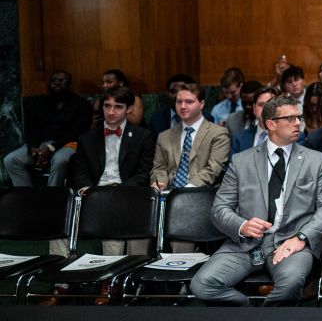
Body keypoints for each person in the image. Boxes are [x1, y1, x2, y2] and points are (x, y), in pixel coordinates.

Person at [190, 94, 322, 306]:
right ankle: (249, 314)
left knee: (291, 283)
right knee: (202, 285)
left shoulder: (317, 161)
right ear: (271, 124)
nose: (298, 123)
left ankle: (263, 319)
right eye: (290, 118)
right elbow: (220, 209)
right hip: (246, 245)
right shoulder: (241, 161)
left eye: (299, 118)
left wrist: (302, 237)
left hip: (291, 243)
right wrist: (242, 226)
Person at [68, 86, 157, 256]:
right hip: (94, 193)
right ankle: (62, 279)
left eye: (118, 107)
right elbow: (80, 172)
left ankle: (122, 273)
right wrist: (87, 188)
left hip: (127, 193)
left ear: (129, 109)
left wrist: (119, 189)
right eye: (107, 106)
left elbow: (143, 174)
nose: (111, 111)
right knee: (62, 216)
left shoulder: (143, 136)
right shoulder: (86, 138)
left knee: (123, 211)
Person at [4, 71, 92, 187]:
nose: (56, 83)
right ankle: (25, 196)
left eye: (61, 80)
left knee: (59, 160)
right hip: (41, 144)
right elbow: (32, 129)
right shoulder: (39, 103)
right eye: (53, 81)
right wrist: (33, 148)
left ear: (70, 84)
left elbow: (77, 132)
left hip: (69, 143)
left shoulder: (81, 104)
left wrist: (52, 147)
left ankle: (52, 198)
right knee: (10, 160)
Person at [150, 83, 231, 191]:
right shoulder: (164, 136)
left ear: (201, 104)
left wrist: (186, 190)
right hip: (167, 195)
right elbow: (159, 168)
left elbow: (214, 168)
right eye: (179, 102)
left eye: (189, 102)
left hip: (200, 195)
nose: (183, 106)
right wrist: (160, 183)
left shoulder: (218, 133)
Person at [231, 85, 278, 154]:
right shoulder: (239, 138)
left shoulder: (293, 138)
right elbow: (231, 164)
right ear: (254, 109)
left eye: (270, 104)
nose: (265, 109)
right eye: (261, 105)